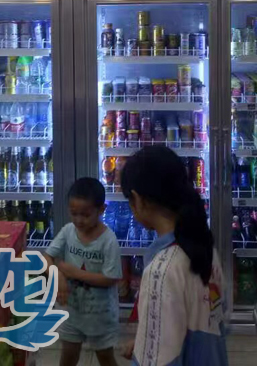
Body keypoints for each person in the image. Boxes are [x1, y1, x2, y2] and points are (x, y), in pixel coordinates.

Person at [121, 145, 228, 366]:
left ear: (138, 200)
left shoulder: (162, 271)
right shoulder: (204, 246)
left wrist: (148, 347)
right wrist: (144, 340)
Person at [45, 177, 122, 366]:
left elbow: (111, 278)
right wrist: (57, 275)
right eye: (74, 214)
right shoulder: (68, 231)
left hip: (100, 315)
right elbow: (46, 258)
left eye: (85, 215)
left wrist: (73, 273)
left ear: (101, 210)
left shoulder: (108, 240)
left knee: (106, 358)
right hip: (71, 310)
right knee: (68, 356)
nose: (79, 220)